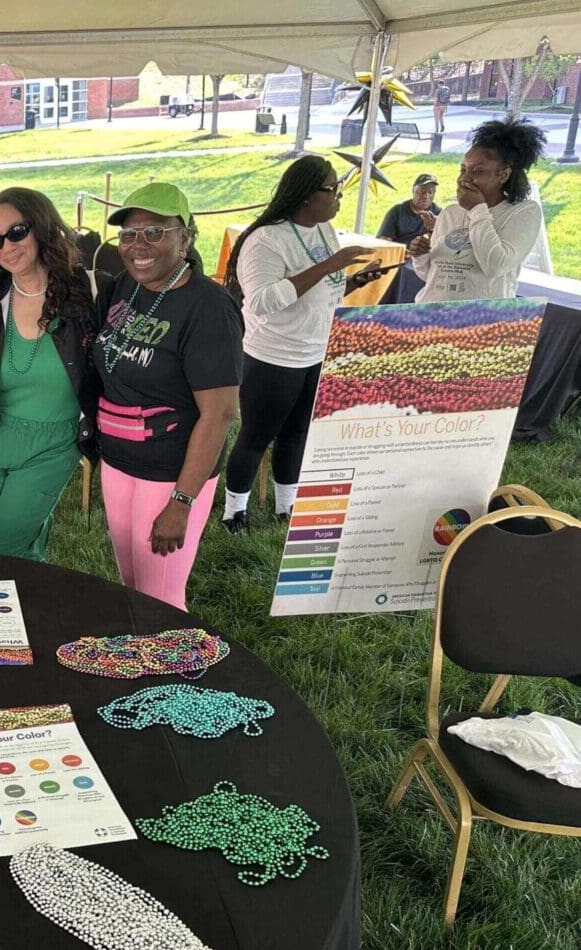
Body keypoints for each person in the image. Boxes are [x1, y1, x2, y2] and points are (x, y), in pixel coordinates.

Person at [85, 184, 241, 611]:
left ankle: (175, 675)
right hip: (119, 463)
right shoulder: (125, 287)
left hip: (170, 472)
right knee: (132, 586)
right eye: (130, 235)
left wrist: (182, 501)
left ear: (186, 235)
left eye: (155, 232)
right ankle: (142, 666)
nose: (139, 246)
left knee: (162, 600)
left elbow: (220, 414)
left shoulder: (208, 307)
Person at [220, 156, 383, 531]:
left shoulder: (324, 230)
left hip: (315, 353)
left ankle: (286, 507)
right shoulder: (266, 240)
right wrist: (329, 266)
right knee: (256, 436)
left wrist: (351, 282)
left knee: (297, 434)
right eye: (332, 190)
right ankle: (234, 513)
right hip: (273, 356)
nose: (339, 197)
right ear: (307, 196)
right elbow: (261, 301)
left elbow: (323, 291)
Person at [0, 187, 96, 560]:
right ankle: (30, 612)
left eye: (17, 232)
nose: (8, 247)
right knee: (10, 543)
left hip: (54, 441)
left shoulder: (88, 291)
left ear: (41, 225)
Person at [412, 118, 546, 303]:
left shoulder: (524, 213)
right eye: (463, 169)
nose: (464, 178)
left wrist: (477, 209)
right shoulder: (450, 213)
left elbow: (495, 265)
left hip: (482, 323)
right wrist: (421, 256)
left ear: (504, 174)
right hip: (433, 320)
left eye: (477, 171)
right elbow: (432, 277)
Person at [377, 173, 441, 248]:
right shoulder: (397, 212)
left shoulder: (438, 213)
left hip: (425, 257)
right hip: (400, 255)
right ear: (413, 191)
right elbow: (384, 241)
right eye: (422, 192)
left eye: (430, 192)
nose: (426, 196)